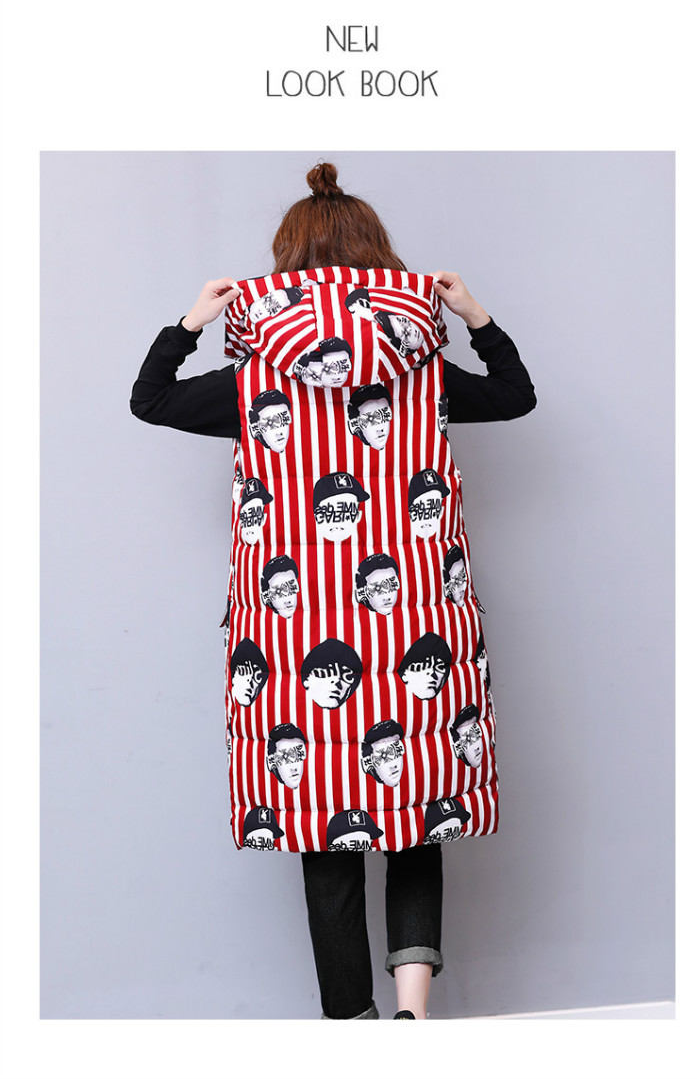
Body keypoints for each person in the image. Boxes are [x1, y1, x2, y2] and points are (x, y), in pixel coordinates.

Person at [130, 160, 537, 1020]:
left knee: (324, 826)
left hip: (293, 645)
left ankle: (350, 1028)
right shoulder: (421, 371)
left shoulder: (255, 381)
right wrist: (474, 315)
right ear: (377, 256)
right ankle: (413, 1017)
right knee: (419, 810)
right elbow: (514, 396)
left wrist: (191, 321)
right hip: (420, 627)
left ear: (288, 260)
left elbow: (151, 401)